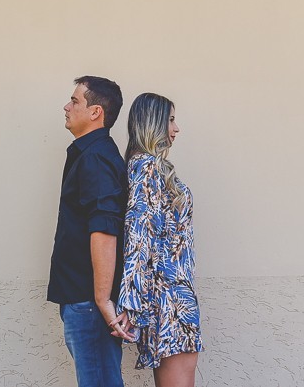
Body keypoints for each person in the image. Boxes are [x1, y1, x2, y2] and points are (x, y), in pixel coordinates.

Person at [116, 92, 203, 387]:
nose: (176, 129)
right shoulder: (147, 167)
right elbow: (138, 235)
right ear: (152, 122)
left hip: (174, 293)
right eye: (170, 120)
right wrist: (130, 304)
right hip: (168, 298)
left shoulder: (150, 167)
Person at [48, 75, 129, 387]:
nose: (66, 107)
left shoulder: (96, 158)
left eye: (75, 101)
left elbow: (105, 230)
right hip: (83, 299)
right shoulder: (90, 154)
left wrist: (102, 300)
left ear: (96, 112)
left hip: (89, 301)